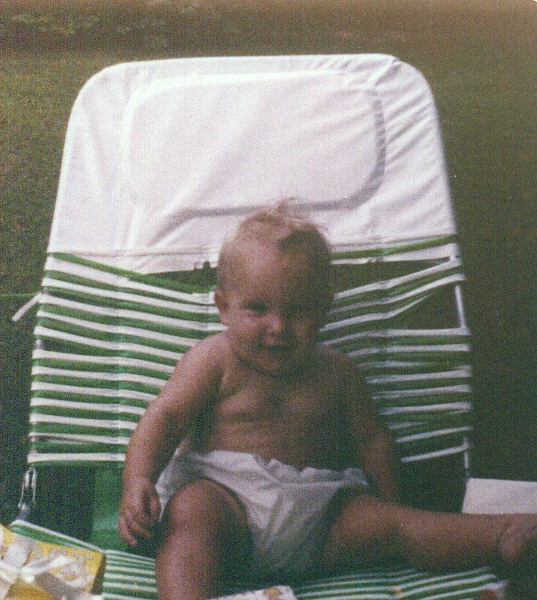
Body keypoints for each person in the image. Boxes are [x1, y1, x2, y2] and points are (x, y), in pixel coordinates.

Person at [117, 202, 536, 600]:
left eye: (298, 311)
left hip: (321, 521)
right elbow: (164, 418)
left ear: (324, 309)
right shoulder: (213, 360)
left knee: (401, 525)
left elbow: (372, 442)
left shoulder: (336, 371)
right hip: (228, 508)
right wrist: (138, 480)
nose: (278, 327)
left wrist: (389, 507)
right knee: (191, 514)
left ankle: (504, 534)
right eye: (257, 309)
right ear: (223, 307)